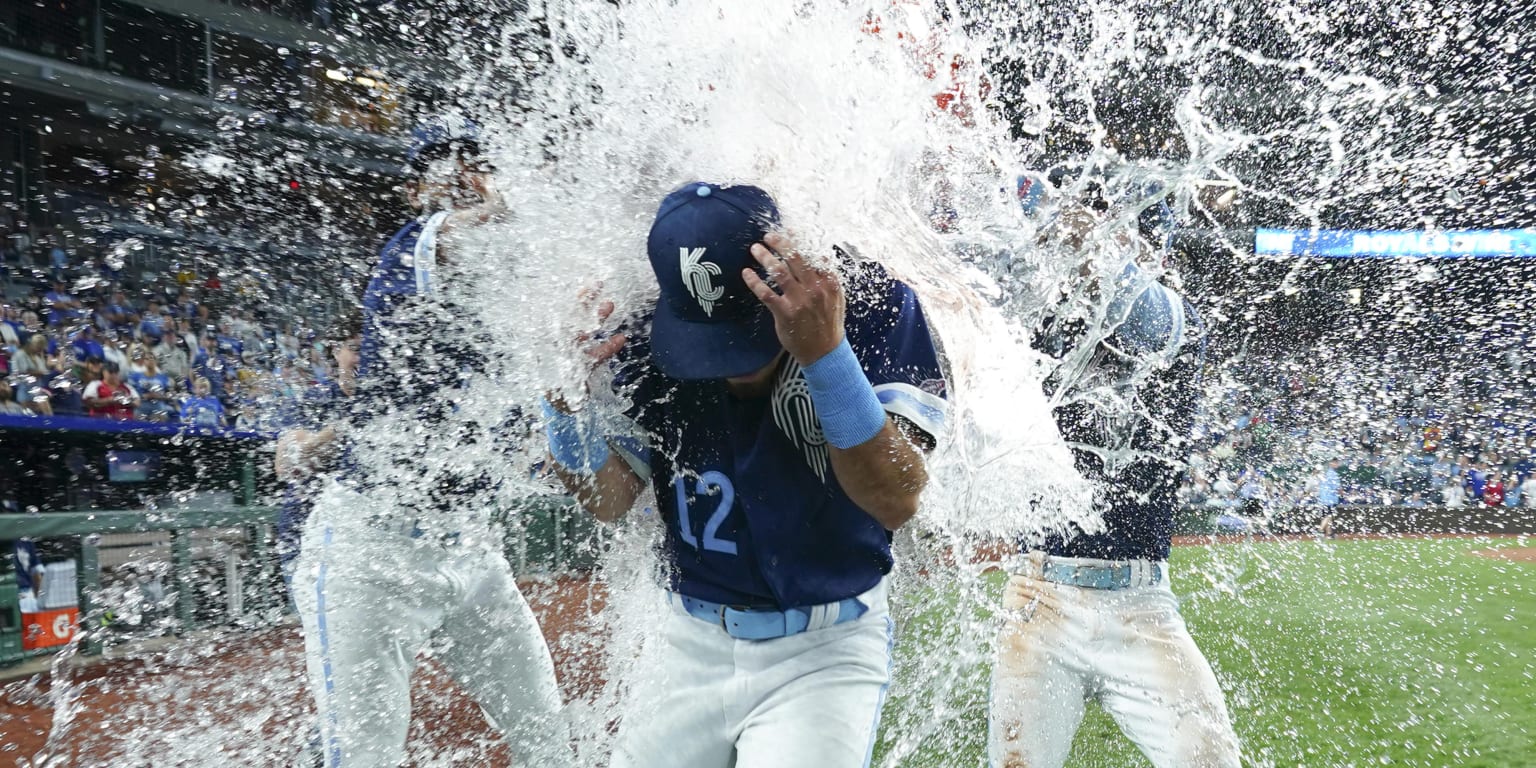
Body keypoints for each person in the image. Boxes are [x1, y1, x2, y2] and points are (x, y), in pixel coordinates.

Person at [545, 182, 948, 768]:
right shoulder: (635, 325)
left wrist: (827, 356)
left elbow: (897, 500)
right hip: (685, 642)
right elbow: (607, 501)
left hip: (825, 649)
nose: (730, 368)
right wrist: (562, 407)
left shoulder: (867, 302)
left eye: (743, 338)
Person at [288, 118, 570, 768]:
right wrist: (550, 193)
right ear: (417, 191)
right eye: (450, 164)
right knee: (361, 758)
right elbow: (469, 231)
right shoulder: (409, 247)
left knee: (549, 743)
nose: (470, 175)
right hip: (371, 555)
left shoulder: (514, 293)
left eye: (480, 161)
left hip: (469, 550)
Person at [989, 175, 1241, 768]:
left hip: (1141, 605)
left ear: (1155, 256)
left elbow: (1139, 313)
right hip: (1038, 597)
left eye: (1122, 236)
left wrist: (1064, 220)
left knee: (1213, 761)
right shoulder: (1048, 328)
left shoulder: (1178, 323)